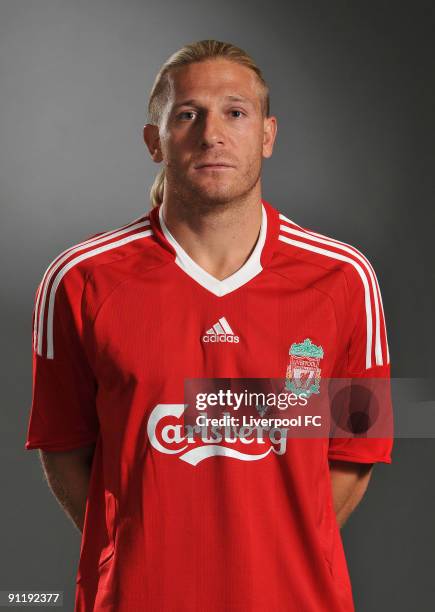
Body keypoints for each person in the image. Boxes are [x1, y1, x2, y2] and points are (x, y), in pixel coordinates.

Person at [25, 39, 393, 612]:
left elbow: (354, 453)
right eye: (188, 115)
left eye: (235, 113)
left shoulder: (344, 278)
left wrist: (274, 548)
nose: (212, 135)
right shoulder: (80, 280)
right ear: (155, 140)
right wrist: (140, 546)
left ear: (268, 135)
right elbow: (65, 449)